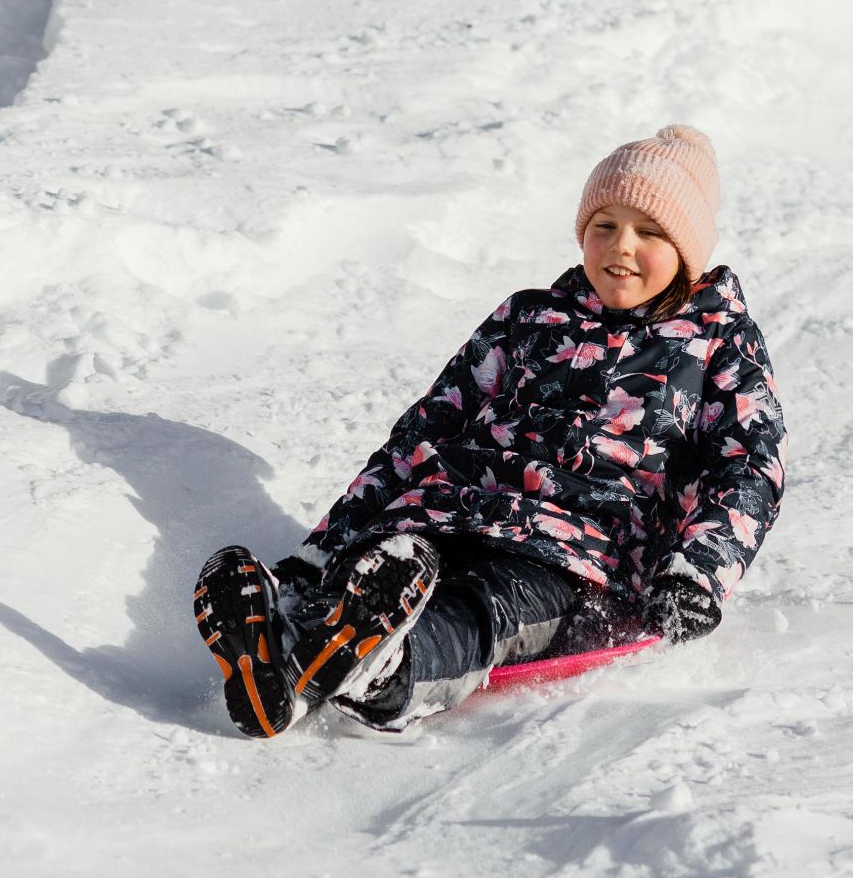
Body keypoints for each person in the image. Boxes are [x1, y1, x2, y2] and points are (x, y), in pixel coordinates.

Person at [194, 125, 786, 737]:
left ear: (688, 250)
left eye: (650, 232)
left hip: (577, 555)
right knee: (381, 569)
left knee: (483, 607)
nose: (621, 246)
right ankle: (289, 652)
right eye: (603, 225)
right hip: (449, 511)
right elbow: (424, 433)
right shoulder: (528, 318)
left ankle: (393, 669)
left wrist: (697, 572)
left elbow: (749, 467)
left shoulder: (718, 342)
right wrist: (323, 548)